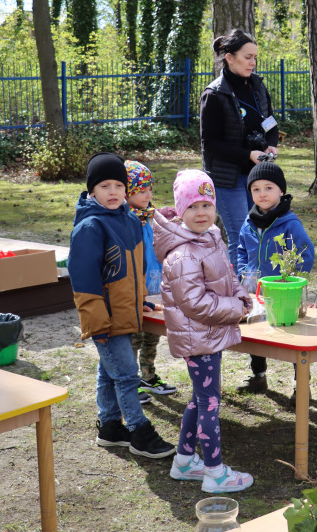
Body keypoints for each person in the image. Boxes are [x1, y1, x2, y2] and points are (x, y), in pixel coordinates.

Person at [69, 152, 177, 459]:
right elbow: (84, 280)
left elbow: (136, 267)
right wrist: (95, 322)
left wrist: (140, 298)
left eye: (119, 185)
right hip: (105, 317)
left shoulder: (130, 220)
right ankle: (139, 431)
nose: (113, 191)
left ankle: (110, 427)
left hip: (127, 310)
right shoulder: (90, 228)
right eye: (105, 186)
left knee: (109, 370)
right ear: (92, 191)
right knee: (128, 374)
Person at [154, 170, 255, 493]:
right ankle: (215, 473)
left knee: (201, 399)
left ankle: (184, 461)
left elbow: (225, 274)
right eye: (193, 207)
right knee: (210, 402)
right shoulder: (182, 253)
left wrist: (240, 295)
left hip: (208, 334)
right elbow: (196, 303)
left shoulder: (210, 236)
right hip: (198, 336)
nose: (201, 213)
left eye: (207, 205)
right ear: (180, 210)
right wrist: (236, 310)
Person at [200, 29, 279, 267]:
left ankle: (256, 286)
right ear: (229, 57)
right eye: (247, 57)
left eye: (255, 57)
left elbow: (271, 122)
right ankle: (240, 293)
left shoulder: (257, 86)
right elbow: (211, 145)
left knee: (257, 232)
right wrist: (248, 154)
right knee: (239, 234)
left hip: (256, 175)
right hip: (227, 178)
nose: (253, 63)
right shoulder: (214, 94)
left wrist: (271, 144)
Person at [236, 160, 315, 391]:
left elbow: (305, 252)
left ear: (281, 190)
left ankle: (300, 386)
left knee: (291, 337)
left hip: (284, 292)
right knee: (254, 334)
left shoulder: (289, 223)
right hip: (255, 291)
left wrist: (291, 281)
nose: (262, 194)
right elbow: (241, 249)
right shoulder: (249, 222)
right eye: (256, 189)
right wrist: (244, 272)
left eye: (269, 188)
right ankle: (258, 376)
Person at [125, 160, 178, 403]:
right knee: (133, 337)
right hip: (136, 288)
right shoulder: (125, 219)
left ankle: (149, 376)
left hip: (155, 286)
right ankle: (131, 381)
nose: (148, 194)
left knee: (152, 336)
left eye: (150, 189)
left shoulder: (152, 215)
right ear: (128, 193)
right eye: (141, 190)